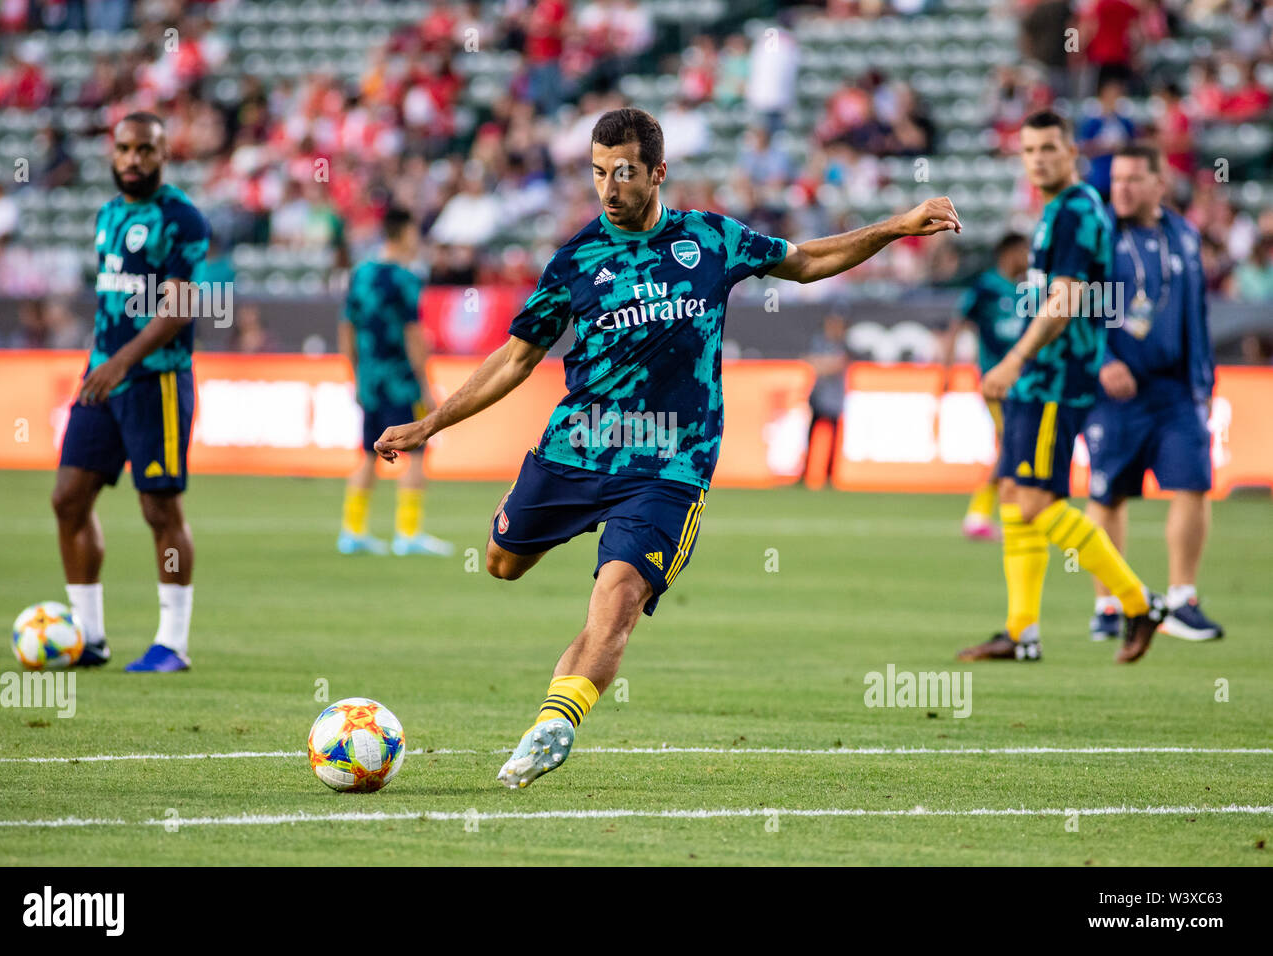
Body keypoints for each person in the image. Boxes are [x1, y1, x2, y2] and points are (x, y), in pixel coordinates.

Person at [374, 107, 962, 788]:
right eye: (597, 173)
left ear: (657, 172)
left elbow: (805, 262)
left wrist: (894, 225)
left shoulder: (712, 239)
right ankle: (553, 663)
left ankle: (553, 725)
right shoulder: (575, 261)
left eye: (621, 172)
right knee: (501, 561)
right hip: (578, 448)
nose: (607, 188)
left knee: (617, 593)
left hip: (670, 465)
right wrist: (430, 424)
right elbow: (514, 360)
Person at [956, 110, 1164, 665]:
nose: (1039, 158)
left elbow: (1068, 297)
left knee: (1036, 501)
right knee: (1011, 494)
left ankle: (1138, 602)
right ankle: (1021, 632)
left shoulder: (1075, 210)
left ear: (1073, 151)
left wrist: (1015, 360)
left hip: (1054, 377)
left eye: (1049, 147)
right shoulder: (1053, 212)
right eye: (1029, 150)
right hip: (1038, 378)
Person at [51, 113, 210, 672]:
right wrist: (106, 364)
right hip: (101, 379)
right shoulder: (108, 214)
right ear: (112, 152)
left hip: (155, 380)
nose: (133, 158)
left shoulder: (181, 218)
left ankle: (172, 642)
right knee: (68, 499)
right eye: (124, 148)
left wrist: (120, 362)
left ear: (164, 153)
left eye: (146, 149)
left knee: (159, 508)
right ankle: (87, 636)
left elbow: (180, 307)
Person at [1085, 144, 1222, 642]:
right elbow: (1072, 305)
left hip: (1175, 388)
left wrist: (1203, 378)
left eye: (1133, 179)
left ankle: (1182, 598)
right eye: (1116, 179)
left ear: (1158, 185)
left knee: (1194, 482)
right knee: (1109, 493)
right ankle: (1109, 603)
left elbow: (1196, 313)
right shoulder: (1097, 234)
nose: (1120, 188)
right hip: (1114, 391)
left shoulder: (1183, 235)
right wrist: (1102, 361)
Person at [337, 206, 452, 557]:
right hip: (401, 379)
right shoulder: (405, 278)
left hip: (370, 379)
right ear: (403, 234)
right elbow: (413, 334)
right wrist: (426, 383)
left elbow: (346, 328)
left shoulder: (360, 274)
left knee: (367, 455)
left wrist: (354, 375)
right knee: (416, 454)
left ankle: (352, 530)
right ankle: (408, 533)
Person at [942, 233, 1028, 540]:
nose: (1028, 256)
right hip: (996, 382)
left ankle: (991, 513)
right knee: (1013, 445)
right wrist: (947, 370)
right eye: (1023, 250)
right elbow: (956, 324)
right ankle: (985, 513)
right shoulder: (986, 287)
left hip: (1025, 381)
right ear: (1009, 252)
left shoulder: (1027, 288)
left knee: (1013, 446)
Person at [800, 313, 849, 487]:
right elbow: (808, 361)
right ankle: (805, 474)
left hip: (834, 399)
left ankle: (829, 476)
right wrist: (826, 364)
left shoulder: (842, 344)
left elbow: (836, 364)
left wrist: (822, 364)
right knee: (810, 438)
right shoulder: (820, 342)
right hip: (818, 397)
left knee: (833, 441)